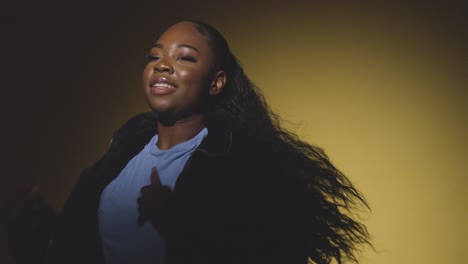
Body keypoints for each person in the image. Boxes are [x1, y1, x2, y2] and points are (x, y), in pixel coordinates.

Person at [8, 21, 371, 264]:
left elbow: (270, 251)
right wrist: (34, 225)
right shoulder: (123, 151)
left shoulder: (238, 164)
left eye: (184, 58)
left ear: (216, 82)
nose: (162, 65)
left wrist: (180, 223)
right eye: (155, 56)